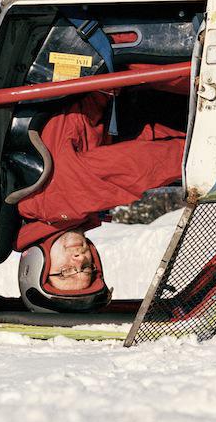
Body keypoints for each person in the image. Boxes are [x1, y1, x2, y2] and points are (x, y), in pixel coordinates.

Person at [15, 89, 186, 312]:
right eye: (87, 268)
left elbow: (149, 164)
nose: (78, 260)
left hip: (104, 78)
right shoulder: (41, 210)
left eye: (65, 271)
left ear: (39, 265)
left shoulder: (60, 204)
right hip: (111, 97)